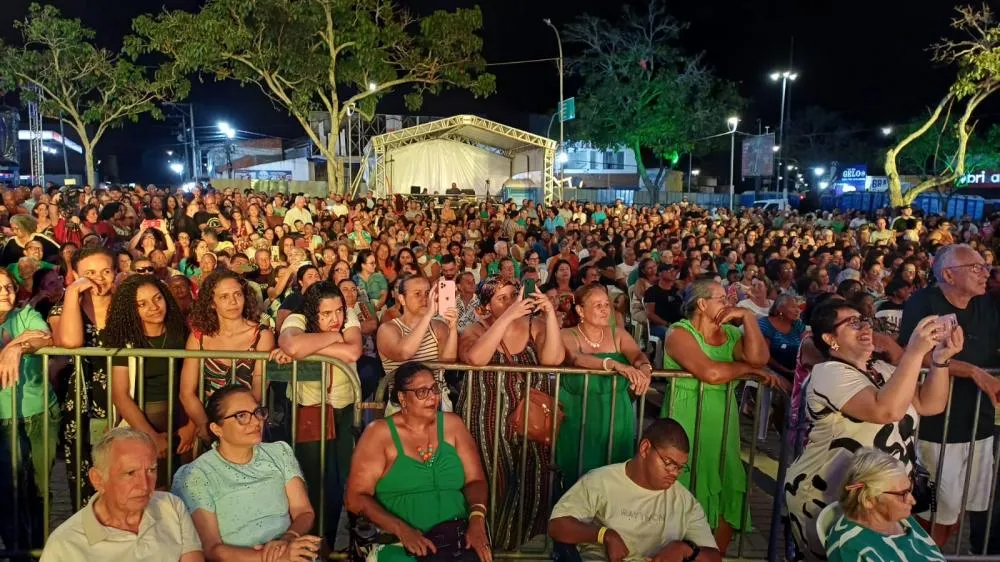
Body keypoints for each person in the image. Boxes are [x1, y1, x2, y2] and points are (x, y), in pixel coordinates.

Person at [786, 300, 959, 560]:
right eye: (852, 323)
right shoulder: (828, 373)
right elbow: (885, 410)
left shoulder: (883, 370)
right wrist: (912, 352)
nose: (865, 327)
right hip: (829, 497)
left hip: (879, 496)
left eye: (864, 320)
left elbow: (929, 404)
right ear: (830, 338)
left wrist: (939, 360)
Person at [661, 279, 788, 553]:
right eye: (721, 298)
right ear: (702, 303)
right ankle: (678, 551)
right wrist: (746, 371)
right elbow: (711, 372)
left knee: (727, 480)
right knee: (686, 479)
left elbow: (759, 358)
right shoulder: (678, 333)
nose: (728, 304)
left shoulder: (730, 334)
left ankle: (710, 555)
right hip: (685, 414)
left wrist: (749, 318)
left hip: (722, 416)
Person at [896, 244, 1000, 551]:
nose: (986, 273)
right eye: (976, 268)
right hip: (937, 428)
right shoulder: (924, 302)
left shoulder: (987, 305)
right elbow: (913, 355)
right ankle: (919, 556)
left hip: (978, 426)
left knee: (956, 515)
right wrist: (972, 371)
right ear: (948, 275)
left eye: (986, 266)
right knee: (934, 514)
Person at [344, 361, 491, 562]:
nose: (433, 396)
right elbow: (355, 498)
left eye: (434, 388)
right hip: (400, 543)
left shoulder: (452, 425)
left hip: (456, 537)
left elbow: (476, 480)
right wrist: (402, 530)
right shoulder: (379, 434)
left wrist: (477, 520)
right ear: (403, 398)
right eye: (422, 391)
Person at [457, 277, 564, 550]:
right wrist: (506, 319)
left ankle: (515, 545)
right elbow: (476, 358)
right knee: (493, 483)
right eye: (501, 298)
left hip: (530, 422)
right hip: (486, 418)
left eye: (513, 295)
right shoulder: (475, 328)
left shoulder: (534, 326)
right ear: (485, 306)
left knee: (537, 480)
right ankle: (486, 544)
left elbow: (553, 359)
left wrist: (550, 314)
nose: (510, 302)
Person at [172, 385, 321, 561]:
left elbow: (303, 511)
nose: (256, 421)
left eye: (257, 412)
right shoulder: (196, 475)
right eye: (241, 416)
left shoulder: (279, 452)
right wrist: (274, 558)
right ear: (216, 429)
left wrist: (288, 539)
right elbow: (212, 549)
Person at [549, 418, 722, 562]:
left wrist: (685, 550)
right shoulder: (600, 481)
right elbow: (557, 525)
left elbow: (714, 557)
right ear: (645, 448)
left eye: (681, 467)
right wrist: (604, 534)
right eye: (669, 463)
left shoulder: (684, 501)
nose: (675, 473)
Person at [39, 428, 204, 562]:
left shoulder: (171, 506)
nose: (144, 485)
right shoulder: (66, 544)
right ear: (98, 479)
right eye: (130, 473)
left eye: (151, 470)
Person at [278, 281, 362, 543]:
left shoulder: (350, 315)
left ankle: (340, 539)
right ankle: (313, 540)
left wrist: (309, 347)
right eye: (325, 314)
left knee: (344, 475)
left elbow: (353, 351)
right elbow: (292, 346)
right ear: (313, 312)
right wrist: (334, 338)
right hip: (309, 410)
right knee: (312, 476)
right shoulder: (297, 318)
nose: (335, 318)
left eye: (338, 311)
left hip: (346, 407)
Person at [103, 274, 194, 487]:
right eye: (142, 304)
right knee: (148, 489)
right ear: (130, 310)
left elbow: (195, 381)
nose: (154, 306)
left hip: (181, 421)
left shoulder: (182, 333)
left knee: (181, 489)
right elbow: (120, 394)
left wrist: (192, 426)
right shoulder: (124, 342)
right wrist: (151, 435)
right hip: (140, 424)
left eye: (157, 298)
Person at [558, 284, 652, 487]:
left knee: (615, 477)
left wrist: (644, 367)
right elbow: (575, 358)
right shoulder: (567, 334)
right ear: (580, 310)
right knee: (577, 477)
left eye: (606, 304)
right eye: (597, 305)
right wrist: (612, 364)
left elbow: (636, 354)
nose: (604, 309)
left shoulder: (617, 333)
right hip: (579, 419)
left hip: (617, 416)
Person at [179, 270, 286, 443]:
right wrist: (206, 426)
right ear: (212, 303)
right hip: (210, 426)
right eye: (224, 297)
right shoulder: (198, 338)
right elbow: (186, 392)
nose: (233, 302)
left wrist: (238, 424)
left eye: (237, 294)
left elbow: (258, 390)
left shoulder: (262, 336)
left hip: (249, 425)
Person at [49, 247, 117, 508]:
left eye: (106, 271)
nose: (99, 278)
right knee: (84, 473)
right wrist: (73, 293)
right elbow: (71, 341)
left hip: (121, 397)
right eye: (89, 273)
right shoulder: (64, 307)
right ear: (75, 274)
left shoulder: (127, 305)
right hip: (81, 400)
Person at [0, 267, 56, 552]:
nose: (5, 292)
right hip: (1, 421)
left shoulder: (25, 316)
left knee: (36, 492)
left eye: (8, 286)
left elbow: (45, 338)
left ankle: (39, 551)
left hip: (36, 415)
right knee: (7, 494)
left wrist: (14, 348)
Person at [824, 448, 945, 562]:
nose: (912, 501)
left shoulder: (901, 519)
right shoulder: (850, 547)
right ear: (868, 499)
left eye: (910, 489)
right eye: (902, 494)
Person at [376, 275, 458, 413]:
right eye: (417, 294)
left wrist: (453, 327)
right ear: (402, 299)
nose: (424, 298)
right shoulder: (388, 329)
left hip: (436, 400)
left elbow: (448, 361)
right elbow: (404, 353)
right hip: (402, 405)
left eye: (427, 293)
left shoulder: (438, 327)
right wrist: (427, 316)